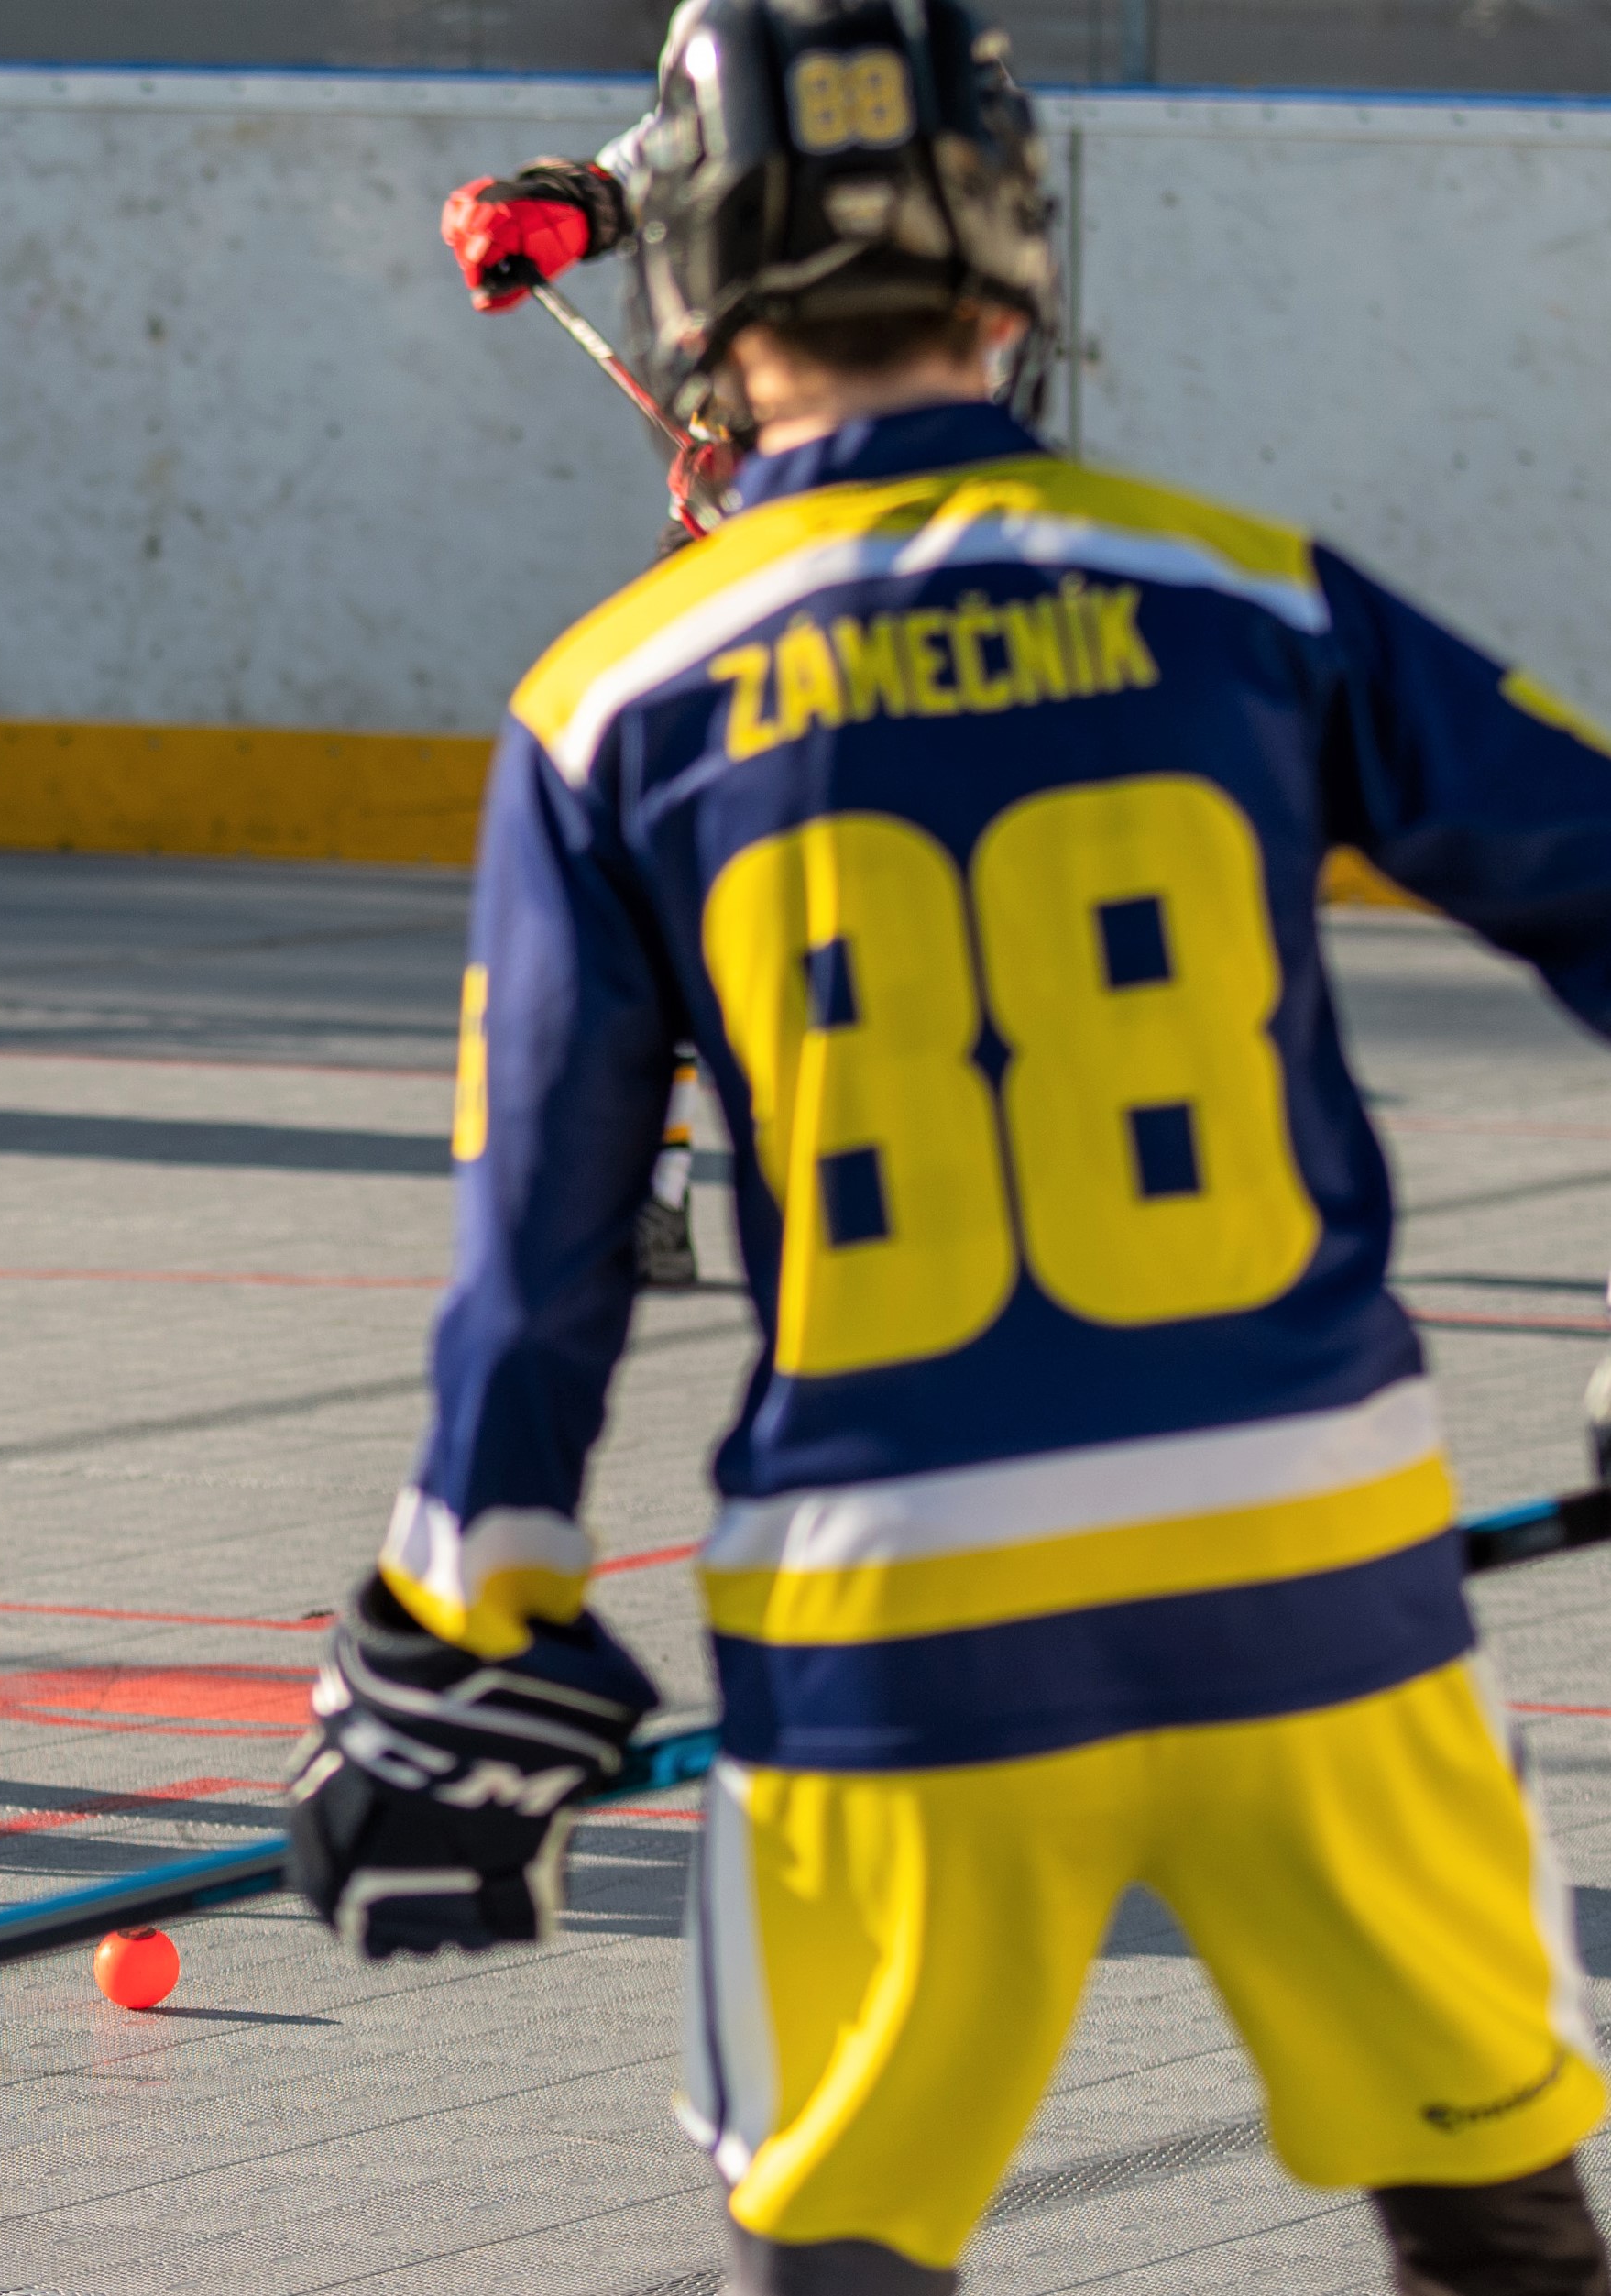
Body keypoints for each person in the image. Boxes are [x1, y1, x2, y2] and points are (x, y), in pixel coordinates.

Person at [288, 4, 1611, 2291]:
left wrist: (454, 1609)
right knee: (1493, 2221)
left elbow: (541, 1252)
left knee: (839, 2246)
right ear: (1012, 264)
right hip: (1314, 1569)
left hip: (892, 1615)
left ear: (691, 305)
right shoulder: (1248, 593)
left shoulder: (604, 703)